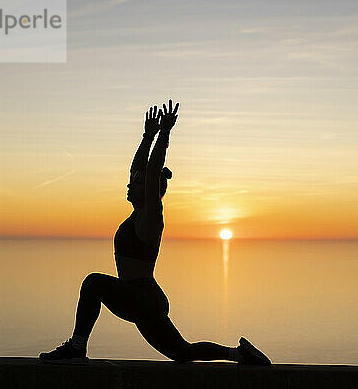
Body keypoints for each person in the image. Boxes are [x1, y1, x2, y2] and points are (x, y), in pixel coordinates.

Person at [39, 100, 270, 366]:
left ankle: (77, 348)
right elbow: (139, 170)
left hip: (142, 298)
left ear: (148, 188)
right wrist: (146, 136)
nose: (129, 185)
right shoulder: (138, 212)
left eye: (134, 183)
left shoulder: (150, 215)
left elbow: (150, 171)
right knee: (182, 352)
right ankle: (238, 354)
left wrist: (164, 134)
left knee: (93, 284)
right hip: (141, 299)